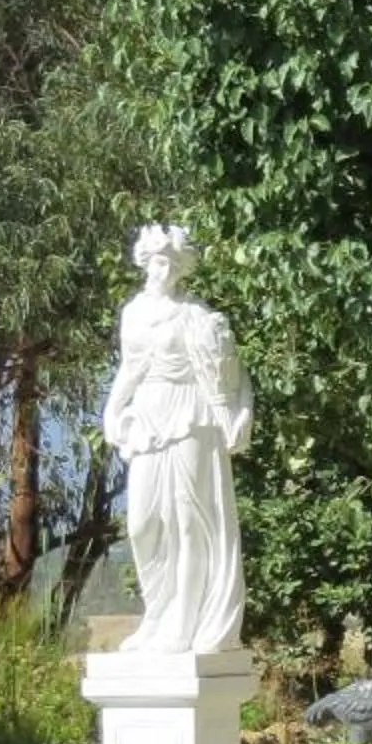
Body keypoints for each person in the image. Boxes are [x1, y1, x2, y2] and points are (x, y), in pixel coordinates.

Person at [105, 224, 253, 653]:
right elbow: (131, 368)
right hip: (148, 414)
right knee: (142, 523)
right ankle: (157, 614)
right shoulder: (134, 312)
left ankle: (183, 625)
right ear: (145, 262)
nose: (164, 271)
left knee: (189, 521)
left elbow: (223, 373)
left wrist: (234, 414)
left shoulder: (196, 315)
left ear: (182, 268)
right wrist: (112, 408)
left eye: (172, 264)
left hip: (191, 415)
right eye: (157, 262)